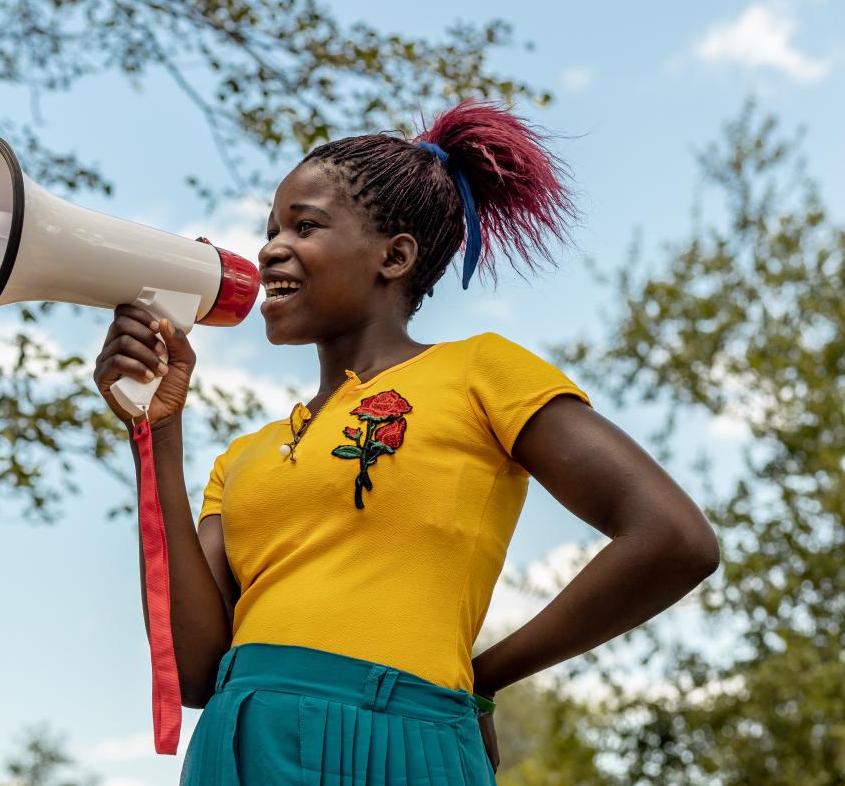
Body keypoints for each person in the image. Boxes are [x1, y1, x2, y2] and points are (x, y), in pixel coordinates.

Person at [92, 99, 720, 785]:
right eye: (270, 228)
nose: (270, 246)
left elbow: (673, 536)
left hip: (402, 735)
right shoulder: (242, 457)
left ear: (394, 256)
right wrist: (156, 432)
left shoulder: (479, 371)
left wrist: (483, 676)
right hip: (235, 746)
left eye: (304, 225)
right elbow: (194, 671)